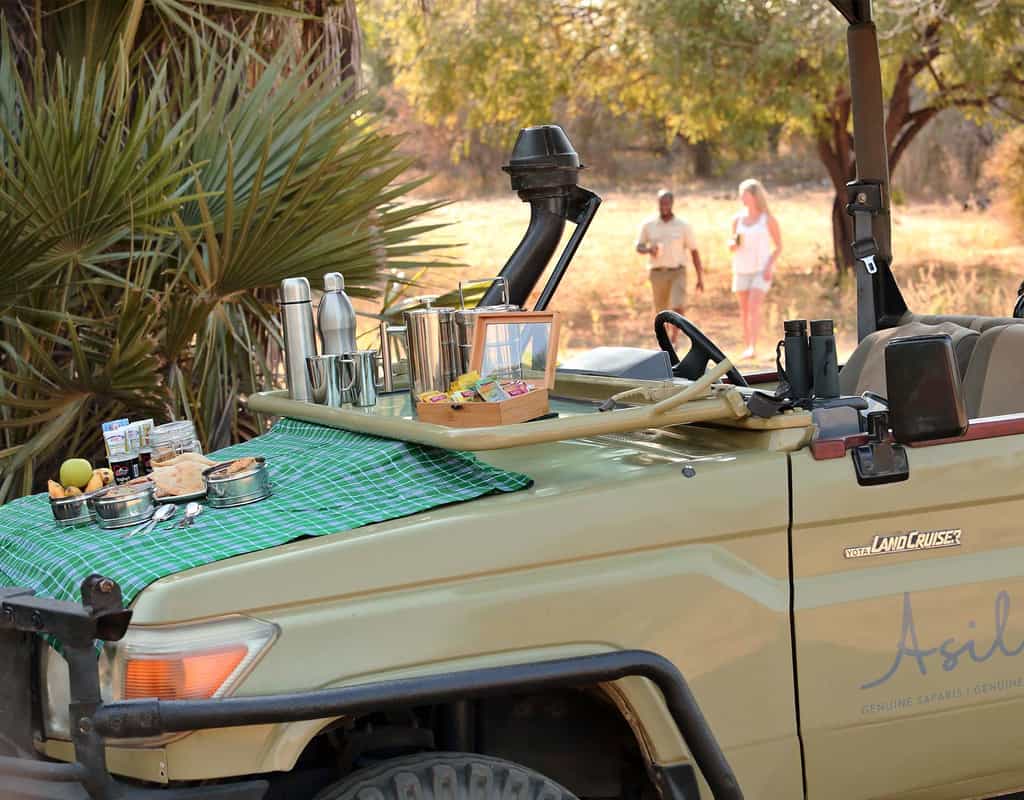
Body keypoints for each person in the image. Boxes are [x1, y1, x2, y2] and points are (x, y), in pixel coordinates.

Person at [636, 190, 704, 338]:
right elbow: (639, 246)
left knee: (678, 305)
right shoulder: (649, 225)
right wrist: (649, 250)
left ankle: (674, 339)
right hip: (657, 273)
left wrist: (700, 277)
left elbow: (694, 251)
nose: (664, 207)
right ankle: (665, 340)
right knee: (661, 311)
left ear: (672, 204)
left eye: (666, 203)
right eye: (661, 203)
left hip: (677, 272)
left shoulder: (683, 225)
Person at [729, 179, 782, 360]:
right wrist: (732, 245)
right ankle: (747, 346)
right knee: (744, 309)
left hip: (761, 270)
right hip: (741, 269)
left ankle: (753, 346)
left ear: (754, 196)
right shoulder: (737, 219)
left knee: (753, 307)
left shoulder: (768, 219)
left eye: (744, 194)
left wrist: (769, 266)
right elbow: (733, 241)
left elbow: (778, 246)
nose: (741, 198)